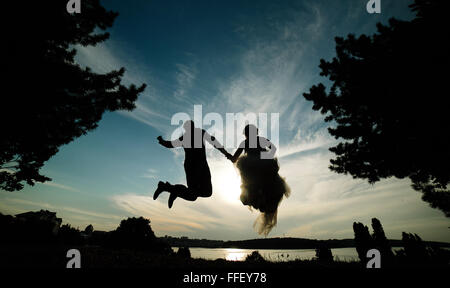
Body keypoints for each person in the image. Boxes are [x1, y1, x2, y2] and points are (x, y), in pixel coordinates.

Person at [154, 120, 232, 208]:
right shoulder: (198, 133)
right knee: (201, 193)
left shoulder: (187, 136)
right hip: (198, 166)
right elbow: (214, 142)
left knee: (195, 195)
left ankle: (170, 189)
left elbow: (170, 144)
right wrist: (226, 153)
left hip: (193, 166)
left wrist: (162, 141)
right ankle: (172, 189)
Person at [230, 124, 290, 235]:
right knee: (252, 190)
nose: (248, 135)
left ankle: (261, 201)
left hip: (259, 168)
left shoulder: (255, 141)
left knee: (259, 188)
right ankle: (260, 201)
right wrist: (231, 157)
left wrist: (263, 158)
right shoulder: (247, 142)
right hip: (254, 170)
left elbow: (273, 149)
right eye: (247, 134)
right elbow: (235, 157)